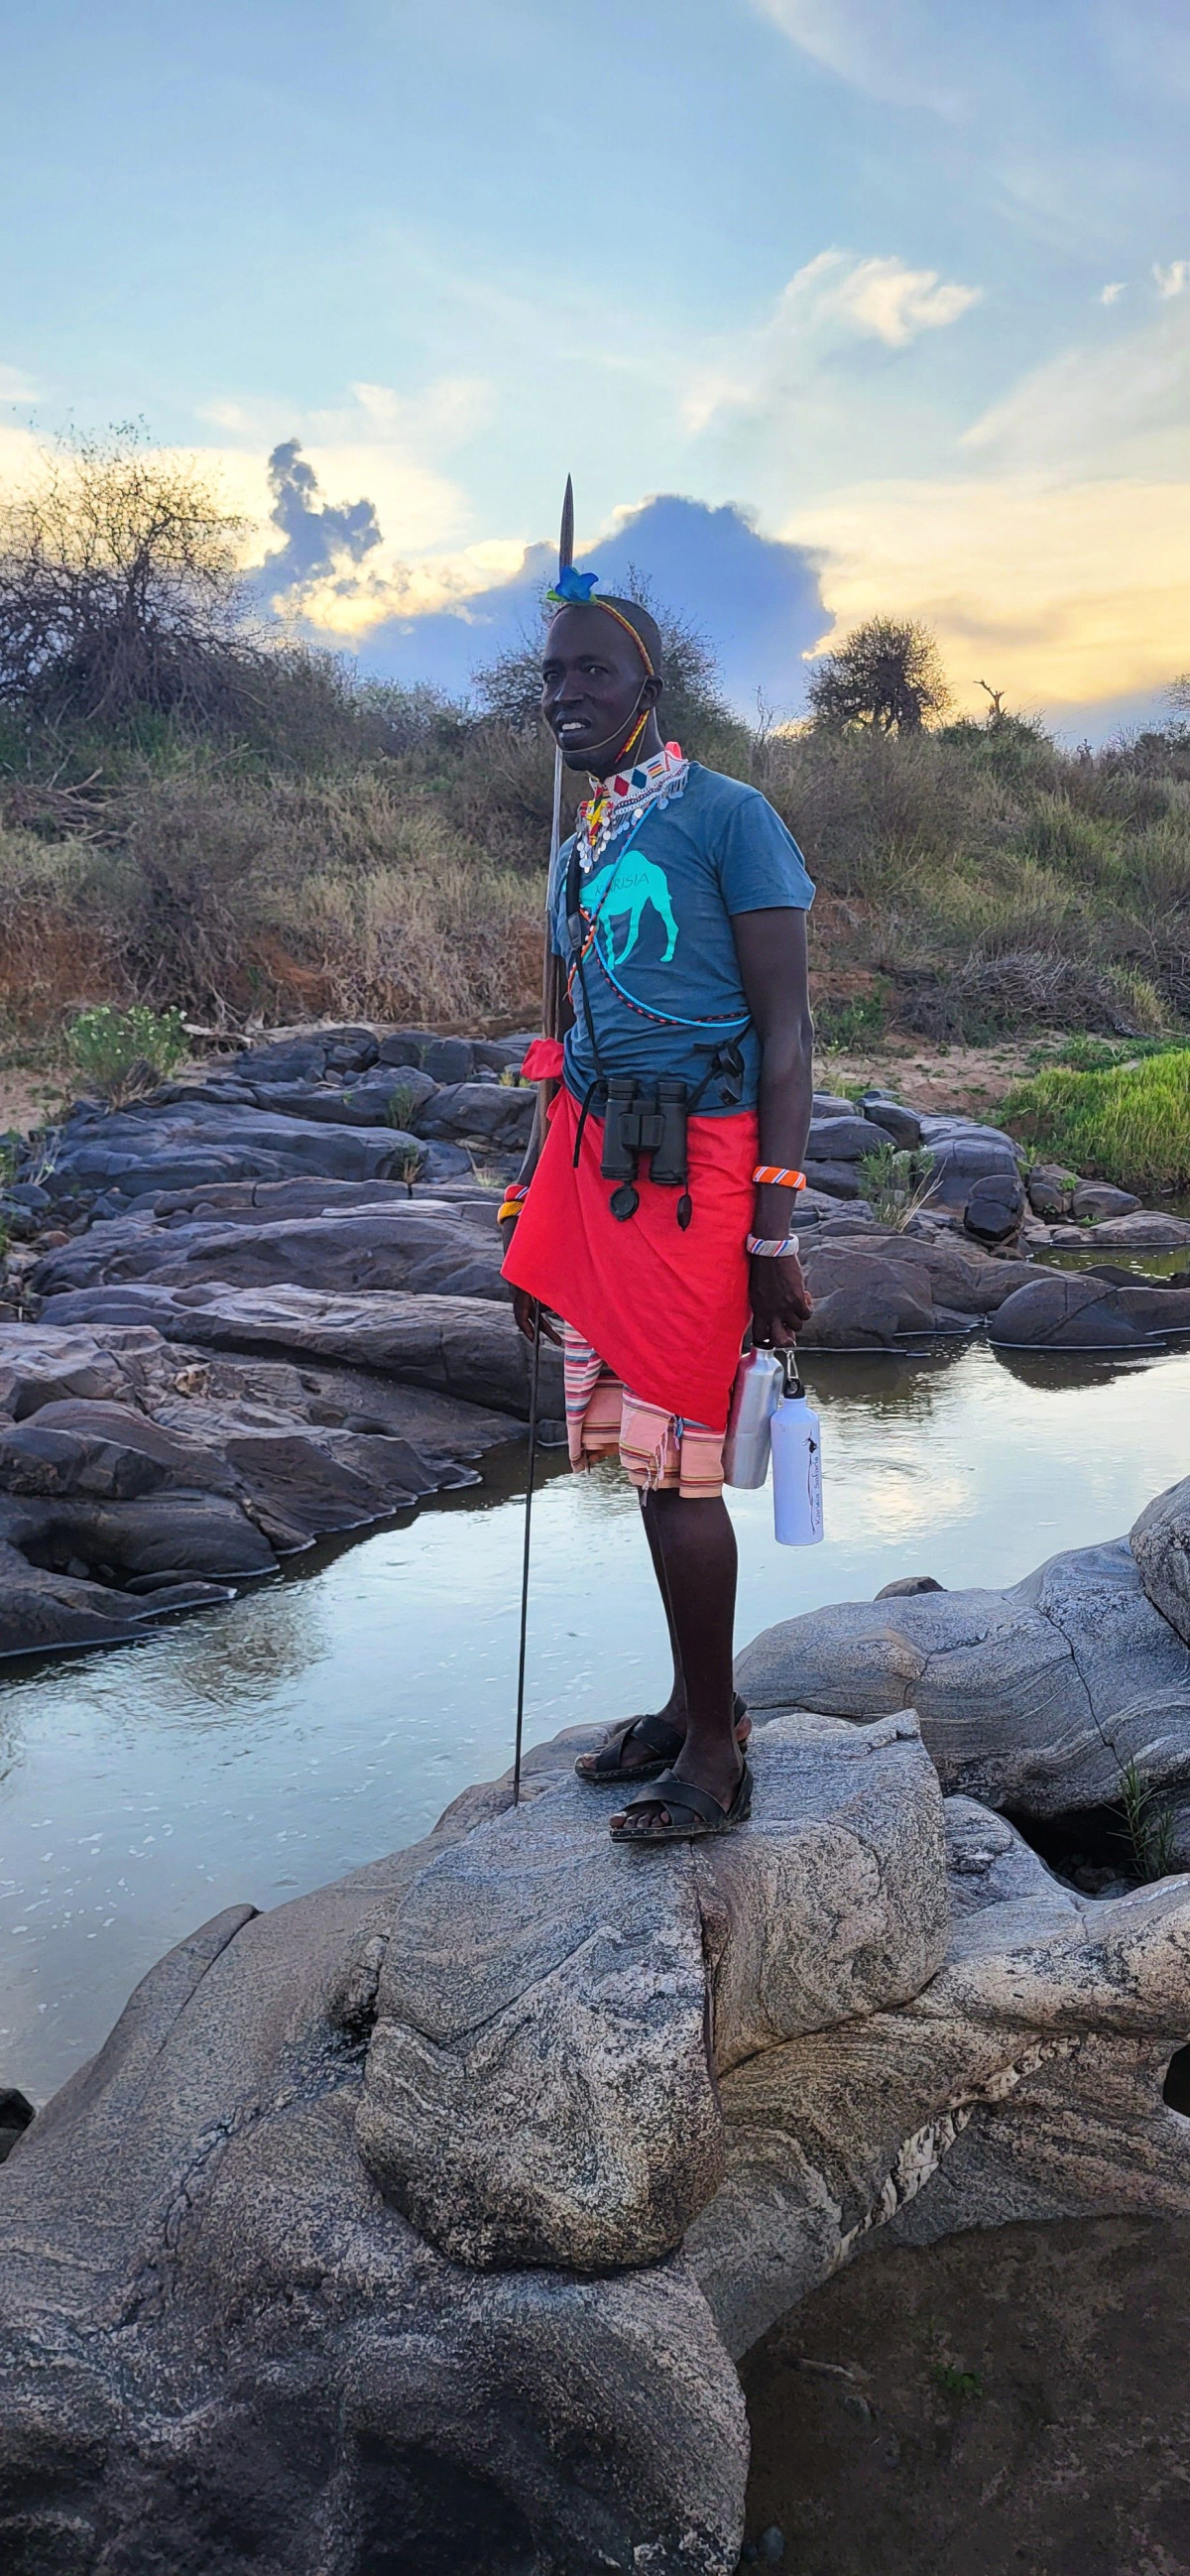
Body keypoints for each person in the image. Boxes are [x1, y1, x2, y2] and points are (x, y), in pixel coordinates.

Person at [500, 572, 814, 1843]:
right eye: (552, 677)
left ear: (649, 688)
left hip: (706, 1172)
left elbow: (789, 1034)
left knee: (684, 1471)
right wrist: (531, 1217)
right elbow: (561, 1039)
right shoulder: (579, 850)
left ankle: (718, 1759)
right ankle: (700, 1707)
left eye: (593, 673)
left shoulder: (733, 820)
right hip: (600, 1169)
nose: (567, 697)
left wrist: (775, 1229)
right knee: (643, 1454)